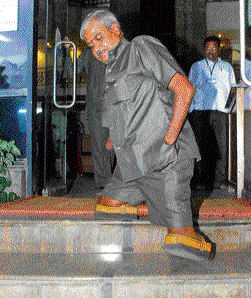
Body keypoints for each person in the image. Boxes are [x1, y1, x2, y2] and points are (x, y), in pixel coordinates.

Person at [79, 9, 215, 262]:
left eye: (98, 38)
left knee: (181, 241)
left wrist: (170, 138)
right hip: (132, 164)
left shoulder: (140, 47)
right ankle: (156, 206)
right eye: (90, 45)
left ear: (115, 30)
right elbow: (121, 111)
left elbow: (184, 90)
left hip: (164, 161)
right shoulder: (111, 71)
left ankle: (174, 214)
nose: (96, 48)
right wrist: (112, 139)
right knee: (104, 208)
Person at [63, 39, 115, 190]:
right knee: (100, 147)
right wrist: (67, 51)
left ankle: (115, 185)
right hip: (97, 107)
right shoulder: (88, 53)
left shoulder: (119, 50)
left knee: (116, 147)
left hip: (119, 105)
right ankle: (105, 186)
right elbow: (69, 73)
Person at [188, 36, 236, 190]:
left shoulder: (227, 67)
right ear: (204, 50)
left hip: (221, 111)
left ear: (219, 49)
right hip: (201, 111)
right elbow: (189, 88)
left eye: (214, 48)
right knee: (201, 147)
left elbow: (233, 88)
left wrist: (230, 108)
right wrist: (190, 112)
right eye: (208, 48)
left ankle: (220, 181)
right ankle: (202, 181)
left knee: (221, 147)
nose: (211, 51)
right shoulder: (196, 66)